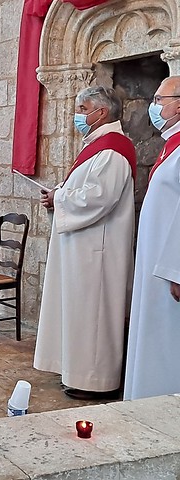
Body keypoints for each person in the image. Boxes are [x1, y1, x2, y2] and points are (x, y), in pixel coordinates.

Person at [33, 86, 136, 401]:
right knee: (79, 312)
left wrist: (60, 196)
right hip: (83, 246)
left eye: (82, 107)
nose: (78, 114)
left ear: (101, 112)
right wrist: (59, 194)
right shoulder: (98, 147)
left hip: (99, 251)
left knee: (94, 314)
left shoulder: (113, 150)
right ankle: (76, 372)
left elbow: (100, 197)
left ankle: (96, 379)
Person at [124, 76, 180, 400]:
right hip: (155, 264)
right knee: (151, 338)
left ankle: (161, 410)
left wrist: (176, 269)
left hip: (169, 271)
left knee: (165, 343)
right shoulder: (170, 146)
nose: (153, 107)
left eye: (160, 100)